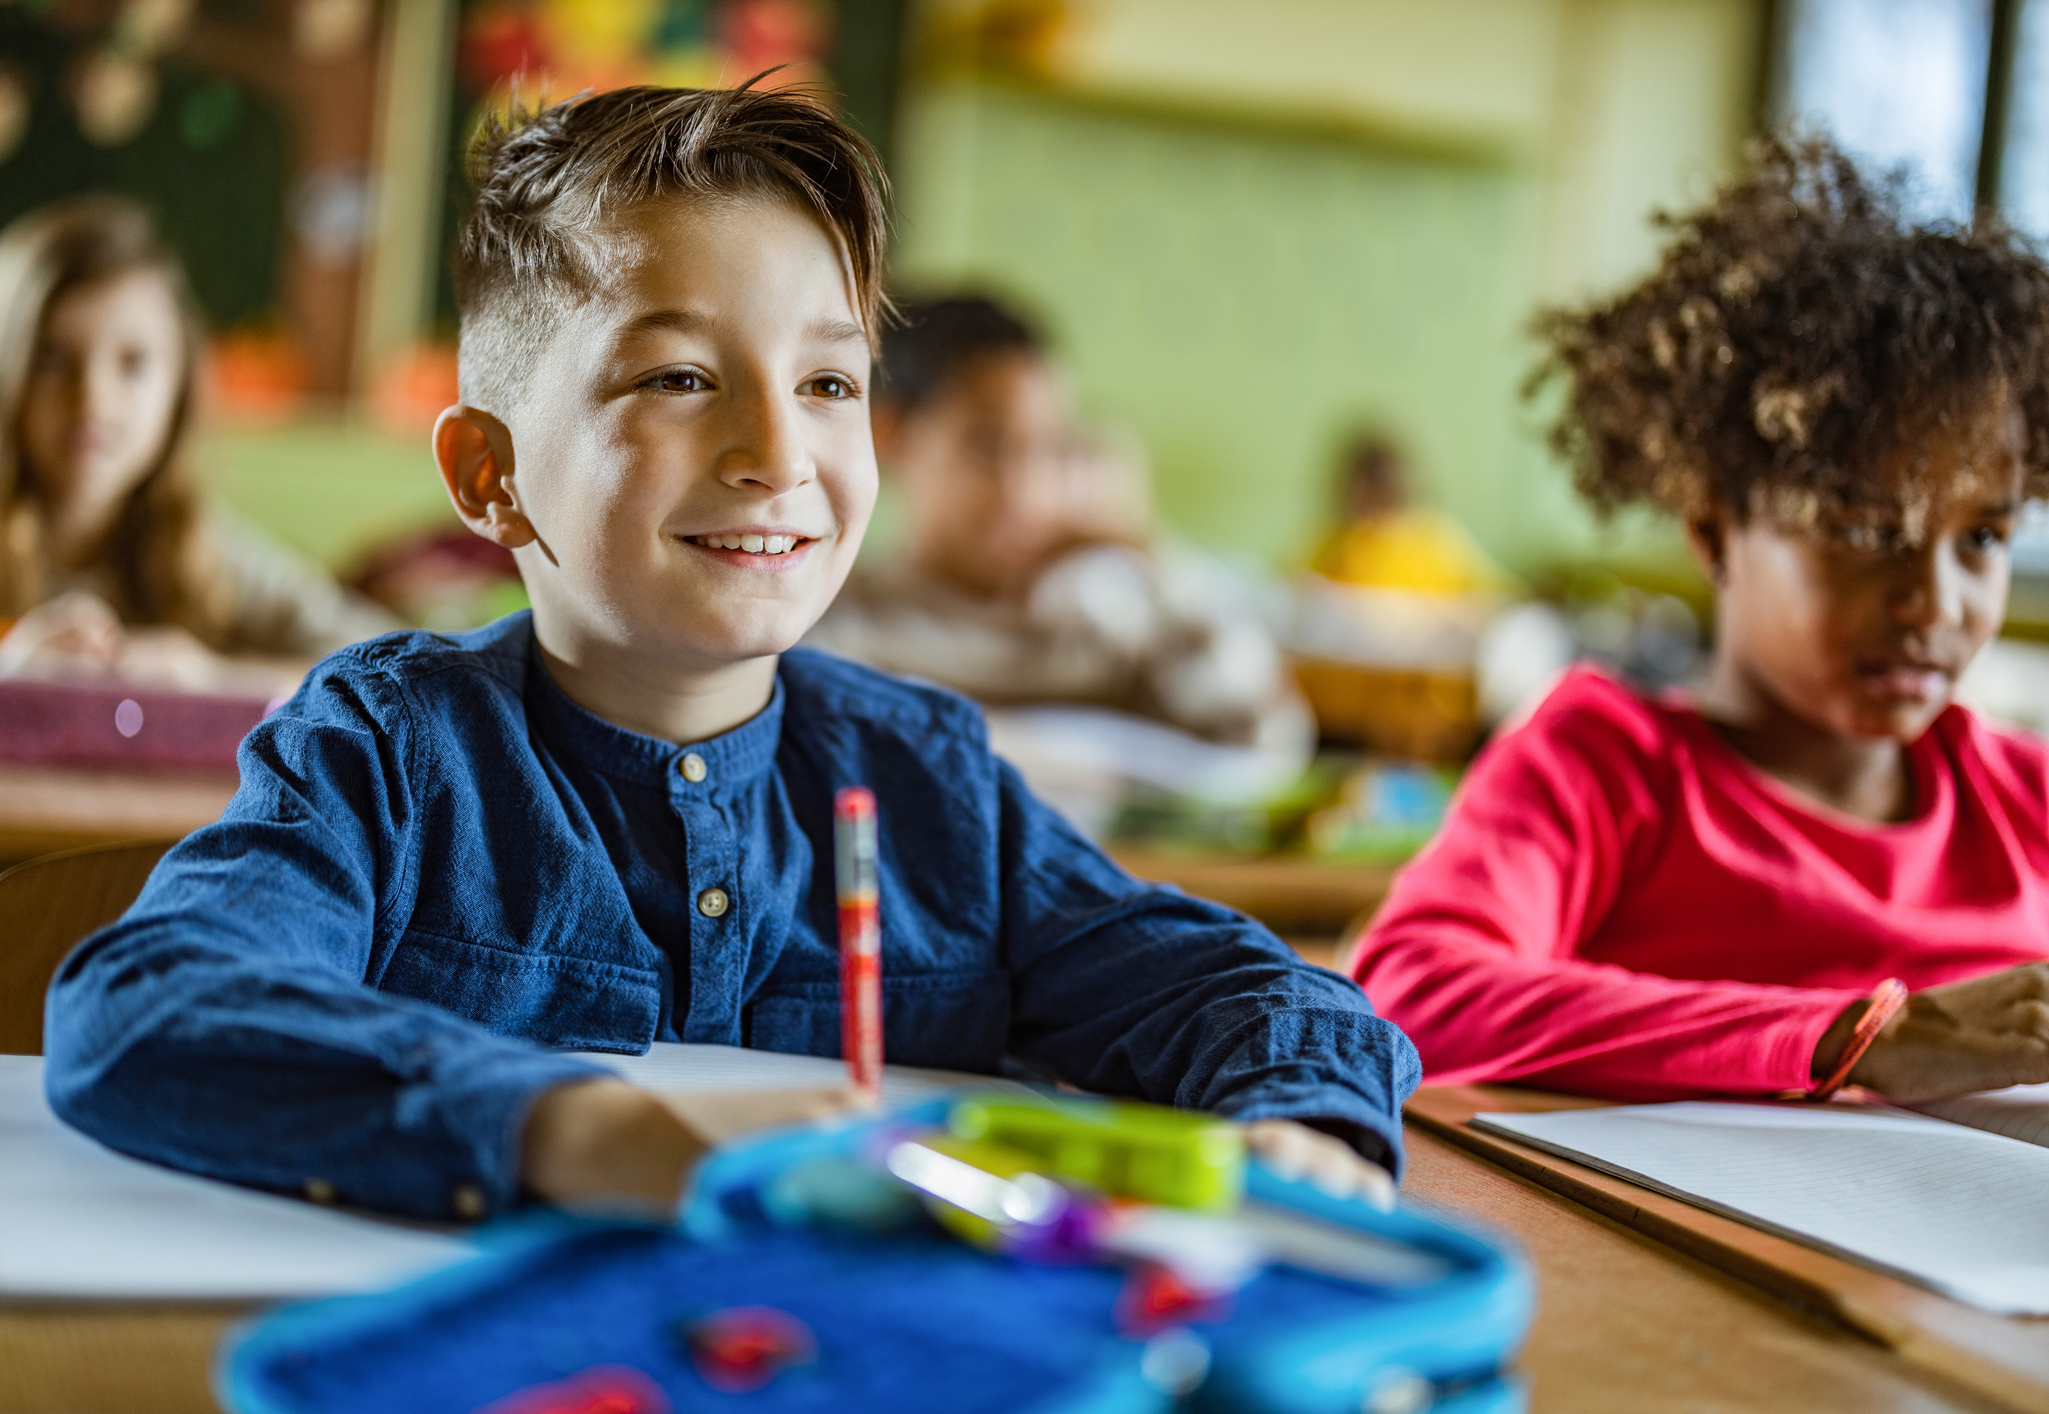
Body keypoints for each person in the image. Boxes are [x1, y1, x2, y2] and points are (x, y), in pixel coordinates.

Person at [42, 84, 1418, 1222]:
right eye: (680, 379)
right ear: (490, 473)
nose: (777, 456)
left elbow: (1255, 991)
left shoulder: (927, 781)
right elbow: (143, 1000)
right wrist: (573, 1128)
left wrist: (1303, 1122)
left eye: (828, 383)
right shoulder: (391, 754)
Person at [1351, 134, 2049, 1106]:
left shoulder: (2028, 800)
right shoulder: (1602, 768)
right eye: (1860, 527)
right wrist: (1857, 1035)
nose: (1933, 600)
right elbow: (1410, 989)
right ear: (1716, 528)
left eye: (1981, 538)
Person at [806, 295, 1310, 757]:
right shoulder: (845, 630)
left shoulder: (1100, 624)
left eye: (1049, 446)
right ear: (891, 435)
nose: (1025, 490)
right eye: (987, 446)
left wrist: (1141, 546)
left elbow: (1266, 737)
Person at [0, 196, 395, 659]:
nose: (93, 399)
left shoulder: (204, 554)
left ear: (179, 388)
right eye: (52, 360)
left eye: (133, 363)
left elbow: (385, 659)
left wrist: (211, 685)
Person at [1308, 430, 1506, 597]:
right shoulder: (1336, 541)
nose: (1374, 502)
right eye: (1366, 492)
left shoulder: (1433, 540)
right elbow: (1298, 587)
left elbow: (1496, 595)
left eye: (1382, 491)